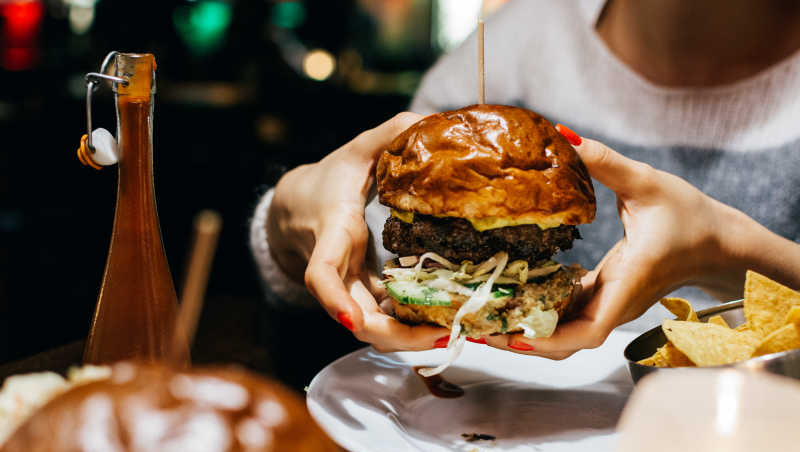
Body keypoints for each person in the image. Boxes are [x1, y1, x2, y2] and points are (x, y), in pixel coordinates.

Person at [251, 0, 800, 359]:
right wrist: (294, 210)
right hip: (463, 442)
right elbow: (354, 249)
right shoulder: (515, 41)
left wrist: (731, 255)